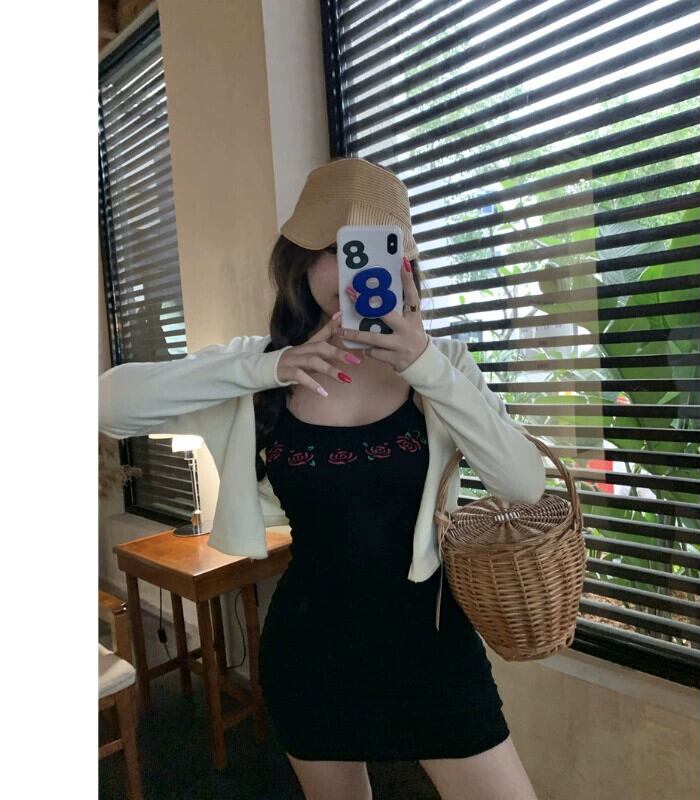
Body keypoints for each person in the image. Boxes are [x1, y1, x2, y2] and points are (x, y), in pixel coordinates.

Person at [100, 156, 545, 800]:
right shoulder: (259, 370)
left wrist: (424, 364)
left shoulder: (441, 365)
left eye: (375, 248)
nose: (354, 269)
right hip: (313, 648)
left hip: (432, 644)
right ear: (300, 263)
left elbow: (525, 486)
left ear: (405, 264)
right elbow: (109, 406)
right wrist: (269, 367)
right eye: (335, 250)